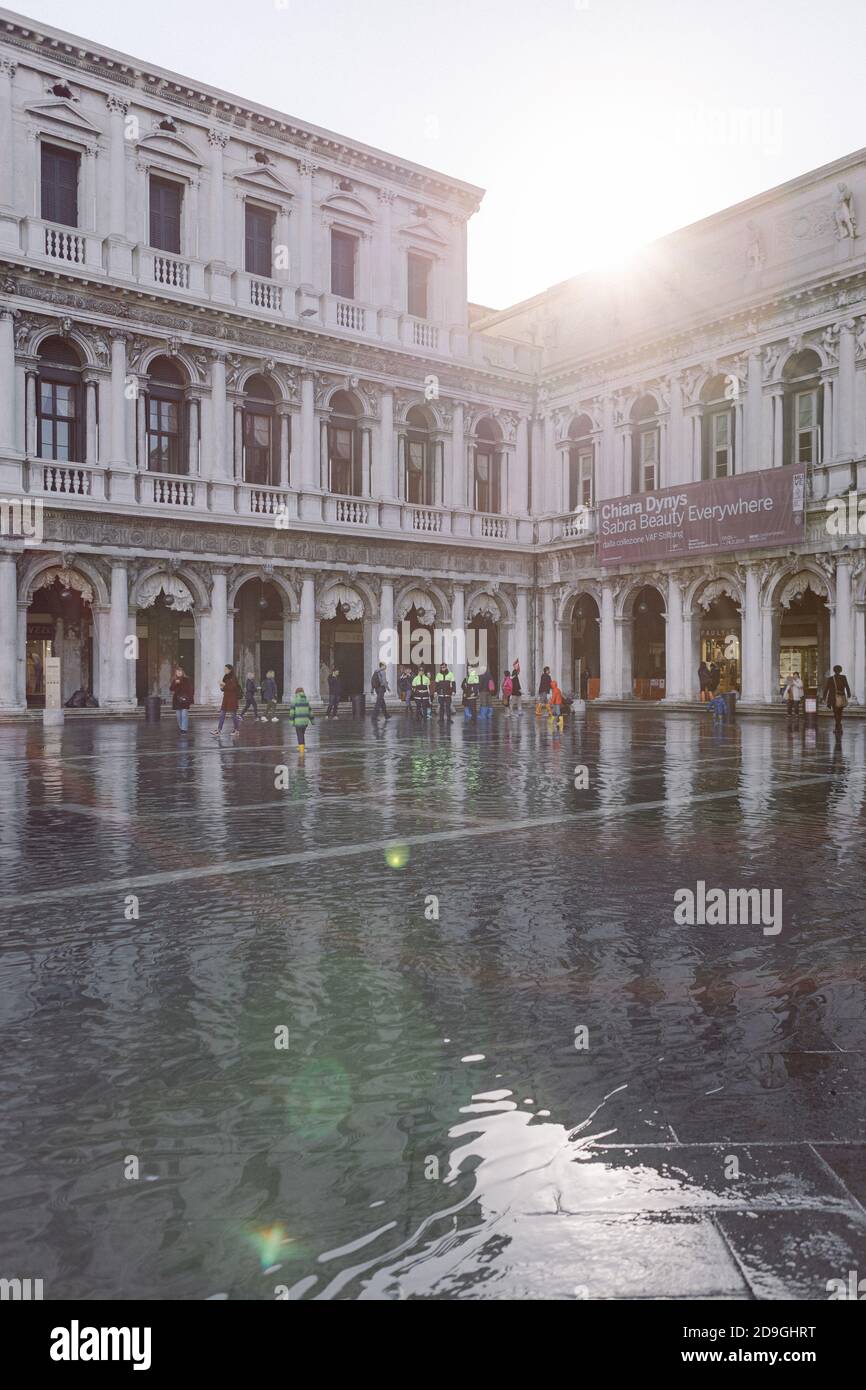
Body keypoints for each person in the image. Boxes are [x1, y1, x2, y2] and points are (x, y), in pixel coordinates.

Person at [213, 664, 241, 737]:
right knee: (222, 714)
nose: (224, 670)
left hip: (232, 698)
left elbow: (233, 687)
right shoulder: (225, 677)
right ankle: (219, 730)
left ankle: (237, 730)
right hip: (226, 698)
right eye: (224, 669)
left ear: (230, 670)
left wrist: (224, 685)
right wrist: (221, 687)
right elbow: (224, 688)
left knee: (233, 715)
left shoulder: (233, 677)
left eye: (225, 669)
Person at [823, 663, 851, 738]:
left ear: (834, 670)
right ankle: (838, 726)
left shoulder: (830, 678)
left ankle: (838, 726)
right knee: (840, 712)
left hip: (833, 698)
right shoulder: (843, 677)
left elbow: (826, 689)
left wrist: (824, 697)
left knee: (835, 713)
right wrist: (849, 694)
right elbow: (847, 686)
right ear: (840, 670)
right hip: (841, 697)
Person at [288, 685, 314, 753]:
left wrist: (291, 721)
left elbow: (292, 712)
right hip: (305, 722)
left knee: (300, 735)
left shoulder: (295, 700)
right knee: (302, 734)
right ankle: (302, 747)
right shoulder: (306, 700)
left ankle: (301, 749)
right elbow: (310, 711)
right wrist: (312, 721)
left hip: (298, 721)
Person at [169, 665, 193, 733]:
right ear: (176, 673)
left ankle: (184, 729)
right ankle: (181, 727)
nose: (179, 673)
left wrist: (190, 699)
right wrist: (175, 684)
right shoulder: (174, 680)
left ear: (182, 672)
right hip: (177, 700)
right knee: (178, 716)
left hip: (185, 699)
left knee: (184, 714)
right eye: (177, 671)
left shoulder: (186, 679)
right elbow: (171, 689)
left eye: (180, 671)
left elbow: (190, 689)